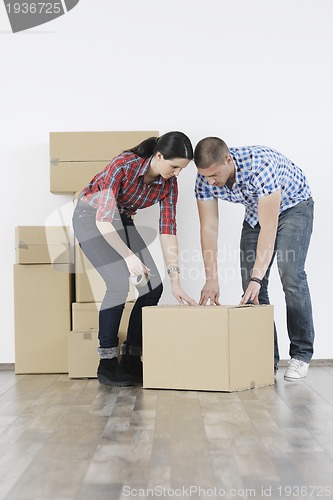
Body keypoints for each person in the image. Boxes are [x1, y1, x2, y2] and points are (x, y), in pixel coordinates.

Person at [73, 131, 196, 387]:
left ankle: (132, 358)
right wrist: (128, 257)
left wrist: (176, 282)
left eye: (181, 169)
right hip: (91, 216)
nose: (176, 173)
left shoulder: (169, 184)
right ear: (159, 155)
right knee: (118, 283)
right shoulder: (123, 165)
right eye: (174, 166)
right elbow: (103, 220)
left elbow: (167, 231)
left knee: (154, 287)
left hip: (122, 219)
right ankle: (106, 363)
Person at [194, 137, 315, 381]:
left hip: (294, 206)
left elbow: (269, 227)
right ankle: (265, 359)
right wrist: (212, 278)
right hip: (255, 213)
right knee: (250, 288)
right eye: (204, 175)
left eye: (214, 174)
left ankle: (301, 355)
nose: (210, 181)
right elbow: (209, 228)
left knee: (290, 272)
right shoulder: (204, 179)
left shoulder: (261, 166)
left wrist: (257, 277)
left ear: (228, 160)